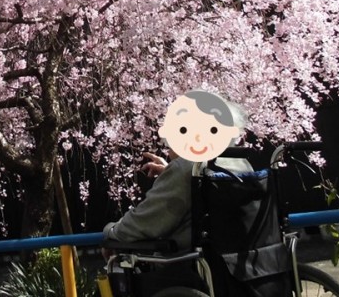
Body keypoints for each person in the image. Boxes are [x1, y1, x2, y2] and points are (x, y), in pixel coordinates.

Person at [103, 89, 252, 254]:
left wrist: (110, 231)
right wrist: (172, 172)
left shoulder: (186, 168)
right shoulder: (241, 164)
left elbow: (141, 225)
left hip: (188, 263)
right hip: (235, 260)